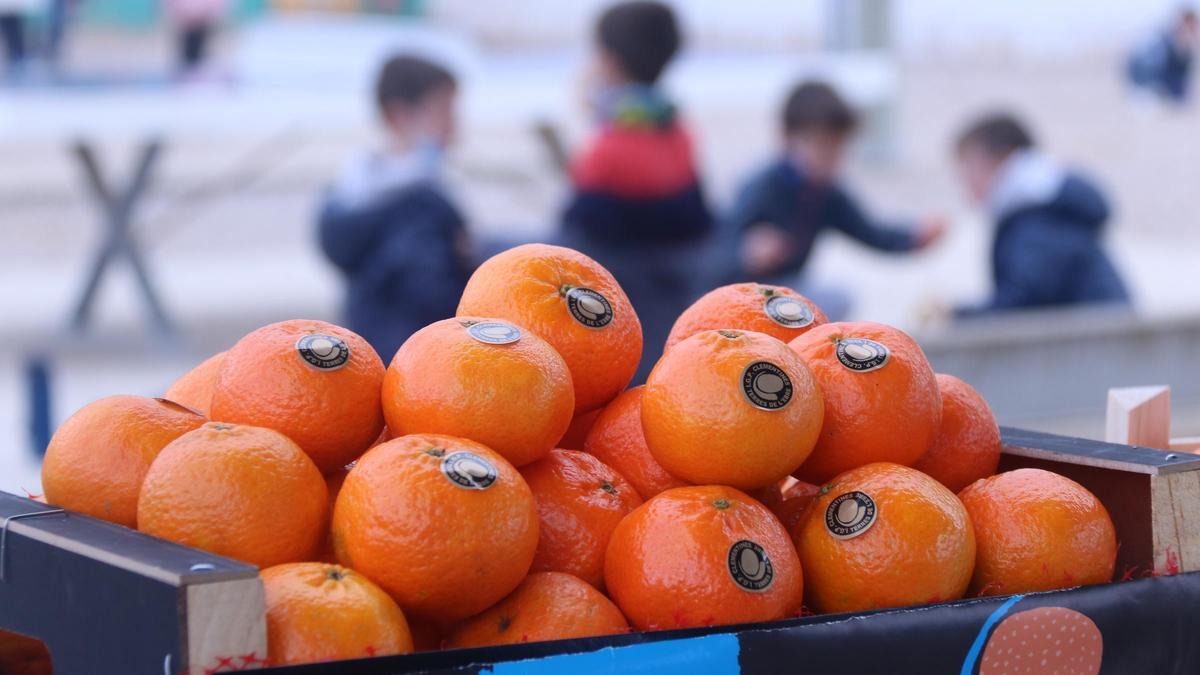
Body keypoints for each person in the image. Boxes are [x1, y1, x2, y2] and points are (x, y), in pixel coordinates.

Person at [561, 0, 713, 381]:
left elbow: (575, 227)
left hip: (614, 315)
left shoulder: (607, 145)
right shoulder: (678, 130)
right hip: (672, 298)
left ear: (609, 60)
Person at [722, 81, 943, 316]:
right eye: (822, 147)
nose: (831, 158)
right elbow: (716, 250)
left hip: (787, 292)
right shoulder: (762, 186)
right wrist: (745, 253)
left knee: (837, 298)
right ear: (788, 139)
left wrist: (914, 238)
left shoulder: (826, 194)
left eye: (838, 149)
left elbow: (870, 232)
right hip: (741, 298)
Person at [317, 54, 473, 362]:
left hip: (371, 347)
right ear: (400, 115)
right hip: (423, 359)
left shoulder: (354, 188)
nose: (455, 123)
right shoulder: (418, 204)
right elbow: (432, 293)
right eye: (444, 110)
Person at [952, 113, 1130, 317]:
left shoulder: (1037, 219)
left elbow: (1021, 307)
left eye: (968, 169)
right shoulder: (1042, 203)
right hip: (1097, 337)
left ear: (995, 160)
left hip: (1096, 343)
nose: (965, 183)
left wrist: (955, 316)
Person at [1128, 8, 1198, 105]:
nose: (1191, 29)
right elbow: (1140, 65)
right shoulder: (1164, 41)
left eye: (1193, 26)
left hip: (1171, 87)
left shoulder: (1188, 44)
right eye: (1189, 25)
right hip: (1149, 83)